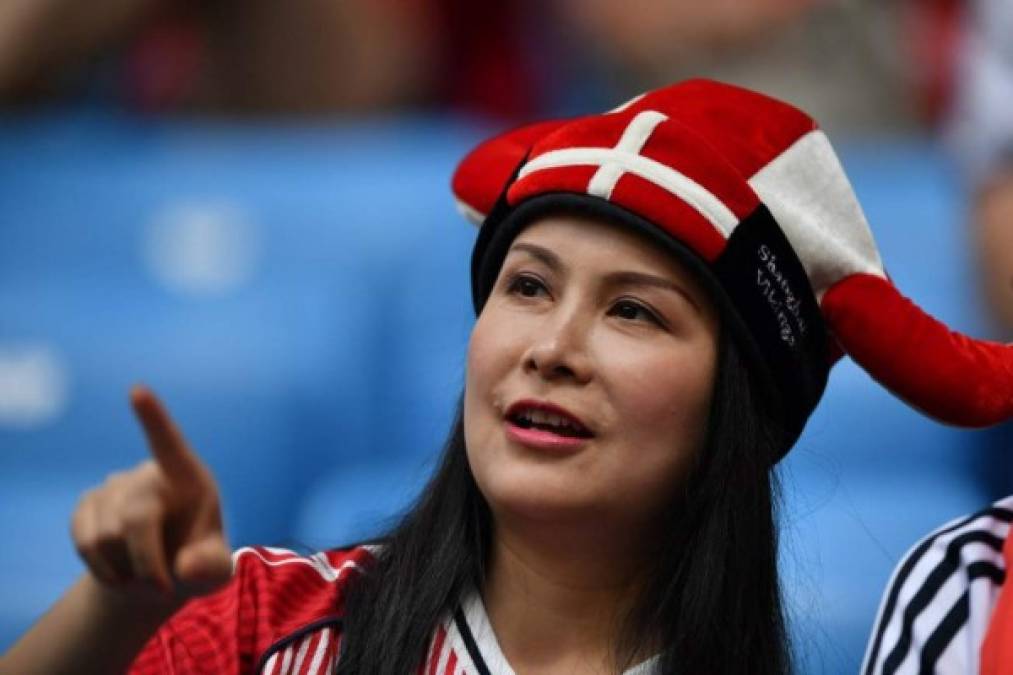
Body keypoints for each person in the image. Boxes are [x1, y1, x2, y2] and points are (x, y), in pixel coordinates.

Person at [2, 79, 1012, 675]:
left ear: (736, 411)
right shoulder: (270, 633)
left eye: (631, 310)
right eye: (526, 287)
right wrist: (114, 612)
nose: (552, 346)